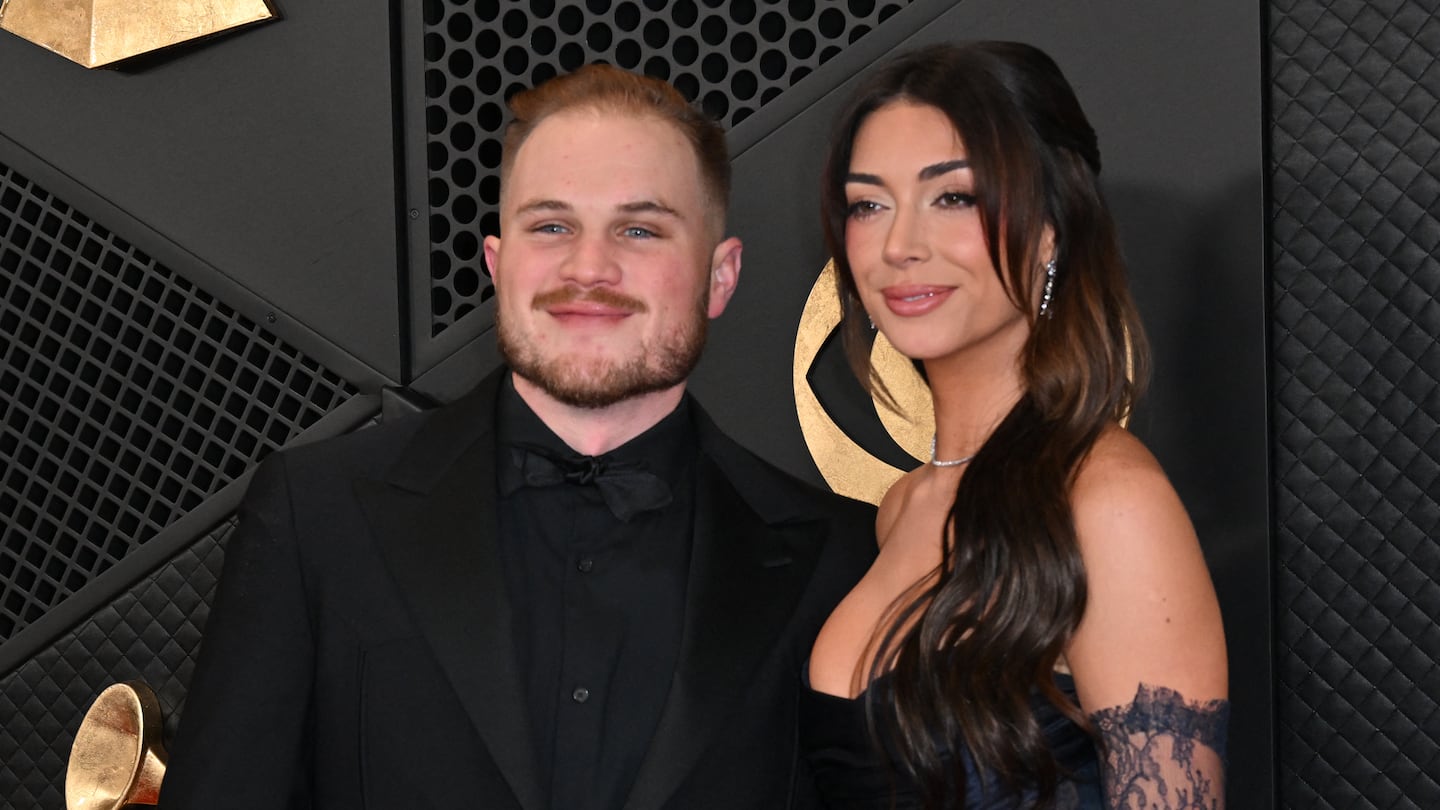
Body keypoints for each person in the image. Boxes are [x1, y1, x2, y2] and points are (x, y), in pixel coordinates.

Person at [158, 64, 875, 810]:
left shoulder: (841, 558)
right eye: (552, 226)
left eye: (639, 229)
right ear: (500, 267)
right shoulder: (318, 514)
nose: (589, 268)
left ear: (718, 278)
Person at [801, 42, 1230, 809]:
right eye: (869, 204)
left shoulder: (1107, 501)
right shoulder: (903, 506)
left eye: (953, 197)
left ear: (1050, 231)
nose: (900, 245)